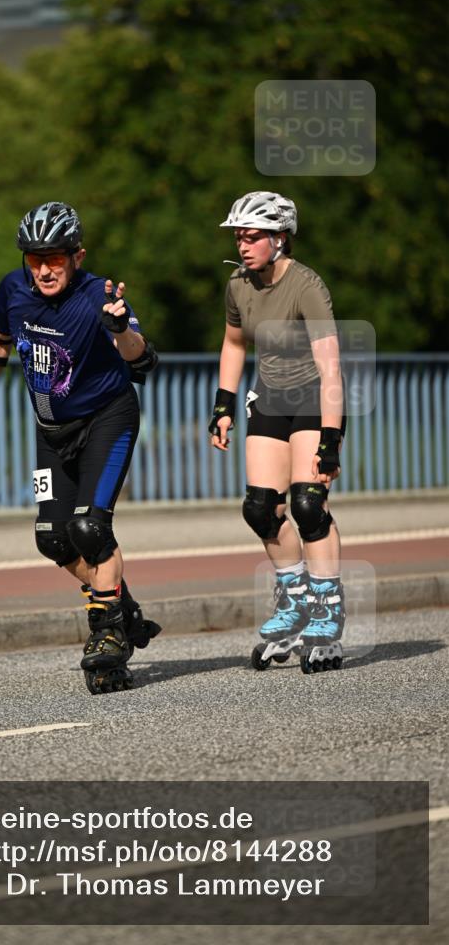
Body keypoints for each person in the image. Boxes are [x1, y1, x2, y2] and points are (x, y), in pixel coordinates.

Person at [0, 201, 160, 693]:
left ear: (77, 255)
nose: (44, 269)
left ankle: (108, 635)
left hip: (107, 419)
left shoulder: (100, 295)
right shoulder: (12, 289)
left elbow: (142, 360)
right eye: (34, 259)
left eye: (54, 258)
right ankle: (120, 602)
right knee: (53, 537)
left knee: (90, 527)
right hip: (51, 429)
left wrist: (120, 331)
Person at [209, 191, 347, 673]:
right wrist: (224, 404)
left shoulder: (307, 285)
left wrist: (331, 439)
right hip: (268, 400)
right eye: (239, 237)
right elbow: (233, 342)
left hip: (313, 399)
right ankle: (295, 599)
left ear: (279, 238)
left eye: (252, 237)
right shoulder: (238, 284)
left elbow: (331, 369)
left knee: (309, 505)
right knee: (261, 509)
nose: (243, 246)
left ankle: (327, 608)